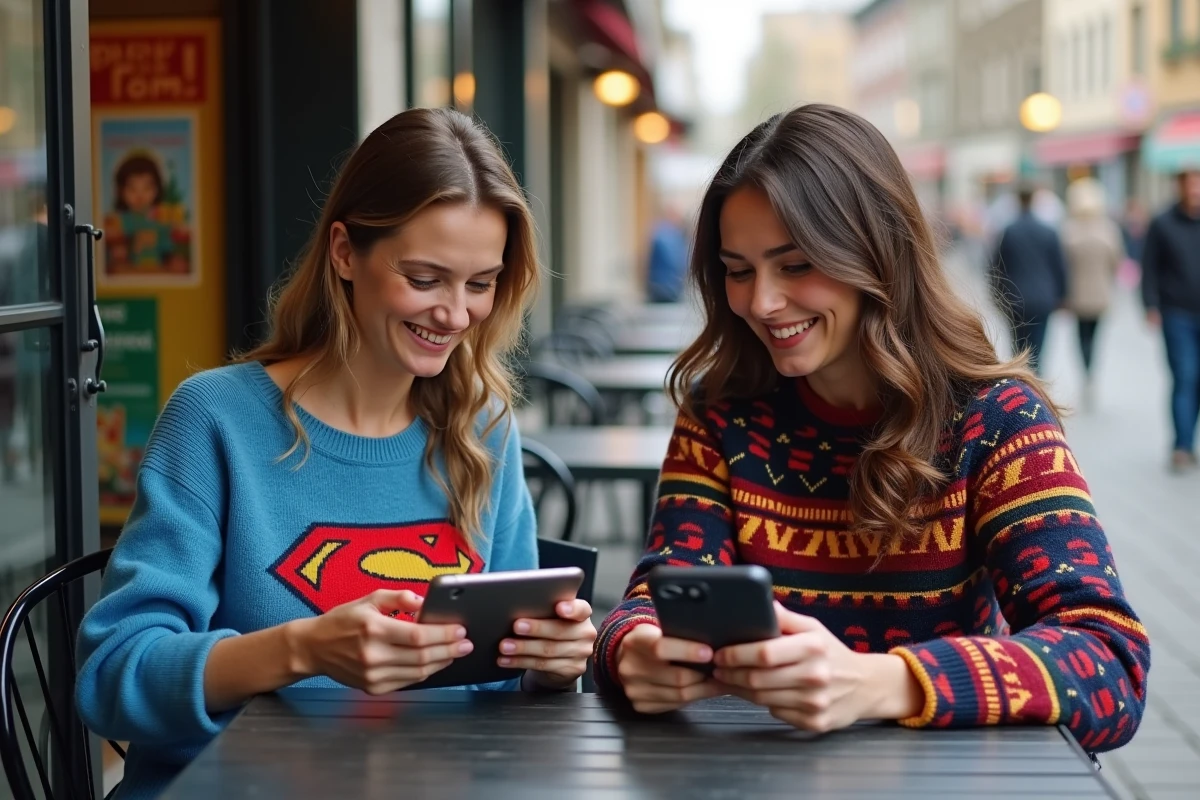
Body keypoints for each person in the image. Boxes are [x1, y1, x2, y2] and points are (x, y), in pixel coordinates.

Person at [75, 107, 597, 799]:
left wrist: (551, 664)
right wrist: (303, 648)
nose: (455, 314)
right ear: (345, 252)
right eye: (424, 277)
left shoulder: (483, 428)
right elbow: (113, 676)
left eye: (480, 284)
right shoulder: (216, 419)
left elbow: (504, 686)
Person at [593, 105, 1149, 753]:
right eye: (738, 271)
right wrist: (630, 650)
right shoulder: (719, 416)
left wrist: (885, 682)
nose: (762, 302)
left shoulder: (998, 419)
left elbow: (1110, 664)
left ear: (876, 253)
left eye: (795, 264)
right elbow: (657, 592)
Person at [1141, 169, 1200, 473]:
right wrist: (1150, 304)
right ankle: (1182, 446)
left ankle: (1190, 439)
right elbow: (1148, 267)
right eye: (1189, 183)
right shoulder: (1163, 223)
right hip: (1176, 312)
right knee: (1185, 375)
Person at [990, 184, 1068, 373]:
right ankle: (1035, 384)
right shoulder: (1048, 231)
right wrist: (1062, 295)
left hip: (1015, 298)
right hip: (1043, 298)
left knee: (1018, 349)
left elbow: (997, 267)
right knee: (1038, 349)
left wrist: (997, 294)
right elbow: (1059, 266)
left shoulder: (1009, 231)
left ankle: (1022, 384)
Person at [1061, 178, 1124, 410]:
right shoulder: (1108, 229)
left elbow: (1062, 265)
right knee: (1094, 337)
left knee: (1082, 337)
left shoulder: (1068, 230)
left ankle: (1086, 371)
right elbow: (1117, 261)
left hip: (1076, 294)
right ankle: (1090, 372)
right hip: (1100, 294)